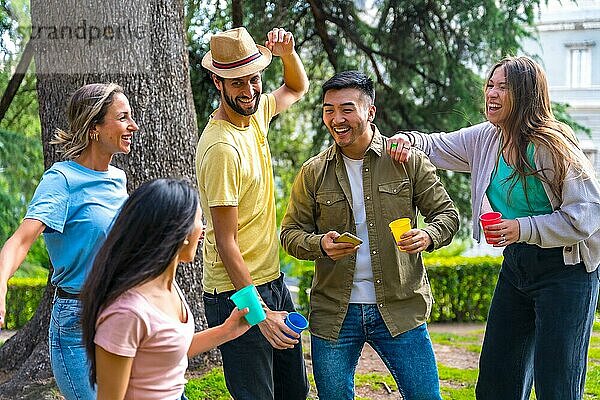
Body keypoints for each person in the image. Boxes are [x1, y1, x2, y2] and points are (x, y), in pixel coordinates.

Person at [388, 56, 600, 400]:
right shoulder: (486, 138)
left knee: (557, 385)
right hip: (517, 264)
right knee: (496, 381)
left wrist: (522, 228)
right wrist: (407, 140)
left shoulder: (553, 146)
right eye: (490, 85)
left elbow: (587, 216)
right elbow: (436, 145)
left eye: (504, 87)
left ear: (526, 95)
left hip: (567, 270)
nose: (493, 93)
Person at [280, 71, 459, 399]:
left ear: (370, 112)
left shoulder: (407, 161)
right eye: (328, 110)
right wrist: (319, 244)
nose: (336, 119)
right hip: (335, 312)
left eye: (347, 109)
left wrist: (428, 235)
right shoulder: (313, 172)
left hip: (400, 306)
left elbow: (447, 215)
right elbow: (290, 233)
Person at [0, 83, 137, 399]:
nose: (133, 126)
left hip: (119, 314)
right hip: (76, 319)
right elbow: (21, 240)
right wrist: (2, 285)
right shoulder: (61, 180)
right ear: (94, 128)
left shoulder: (118, 179)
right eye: (123, 118)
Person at [195, 26, 310, 399]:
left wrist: (288, 54)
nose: (248, 91)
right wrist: (257, 313)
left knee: (294, 390)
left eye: (253, 79)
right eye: (236, 83)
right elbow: (225, 242)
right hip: (235, 293)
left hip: (272, 279)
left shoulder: (256, 114)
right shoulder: (221, 148)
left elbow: (296, 88)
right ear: (218, 82)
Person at [80, 178, 250, 400]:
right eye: (200, 220)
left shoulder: (167, 286)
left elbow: (166, 350)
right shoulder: (126, 313)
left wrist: (227, 330)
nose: (204, 229)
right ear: (179, 231)